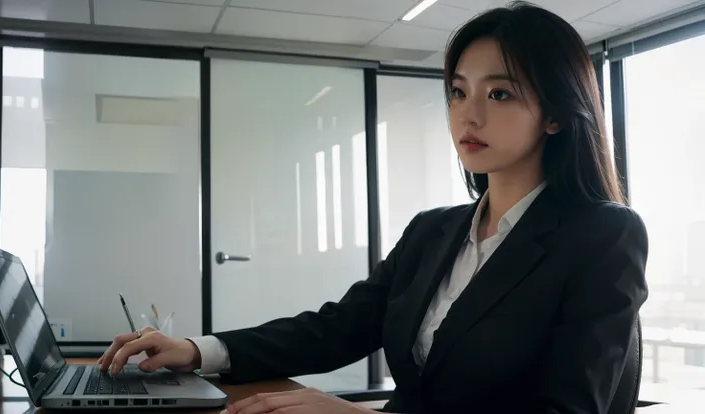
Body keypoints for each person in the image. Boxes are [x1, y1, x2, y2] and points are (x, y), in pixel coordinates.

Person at [98, 2, 648, 413]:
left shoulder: (604, 235)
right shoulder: (435, 230)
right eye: (458, 92)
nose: (468, 114)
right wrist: (196, 351)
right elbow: (337, 328)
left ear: (555, 114)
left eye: (499, 93)